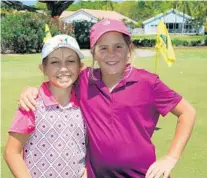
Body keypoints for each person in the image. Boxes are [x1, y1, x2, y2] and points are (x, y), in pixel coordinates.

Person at [17, 19, 196, 178]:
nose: (111, 54)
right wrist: (31, 90)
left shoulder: (148, 82)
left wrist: (171, 157)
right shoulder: (84, 80)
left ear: (129, 50)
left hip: (143, 174)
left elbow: (187, 112)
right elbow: (59, 79)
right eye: (103, 48)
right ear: (94, 54)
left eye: (118, 46)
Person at [4, 34, 87, 178]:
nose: (63, 68)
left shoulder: (85, 103)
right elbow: (12, 152)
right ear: (43, 68)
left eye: (71, 61)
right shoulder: (31, 104)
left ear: (80, 67)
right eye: (55, 62)